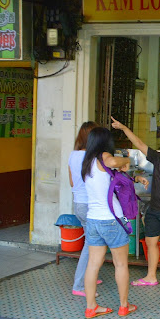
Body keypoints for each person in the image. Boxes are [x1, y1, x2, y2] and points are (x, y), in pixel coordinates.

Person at [111, 118, 160, 291]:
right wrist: (124, 127)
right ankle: (151, 276)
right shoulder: (159, 159)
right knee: (150, 241)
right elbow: (139, 143)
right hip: (154, 208)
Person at [81, 127, 146, 319]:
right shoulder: (104, 157)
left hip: (93, 220)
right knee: (121, 265)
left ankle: (91, 307)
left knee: (93, 265)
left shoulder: (88, 162)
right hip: (111, 220)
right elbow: (114, 161)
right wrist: (127, 161)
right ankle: (124, 306)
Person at [68, 121, 99, 297]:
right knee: (90, 245)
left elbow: (72, 182)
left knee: (93, 242)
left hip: (78, 204)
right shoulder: (92, 157)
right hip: (89, 205)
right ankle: (79, 285)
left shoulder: (73, 155)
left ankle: (91, 276)